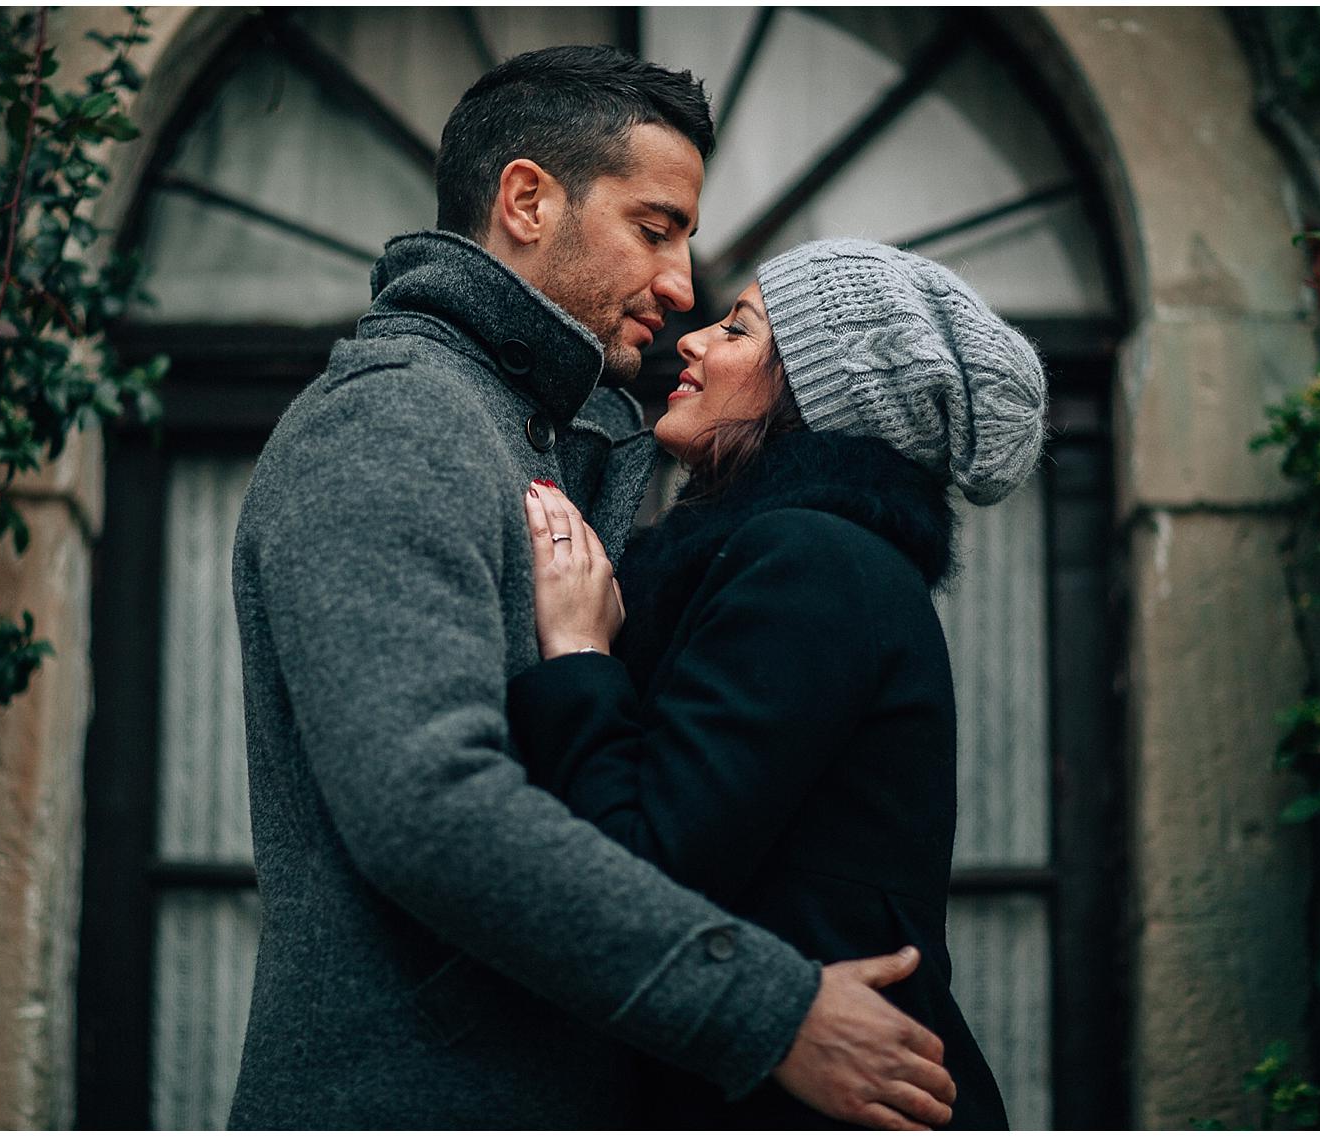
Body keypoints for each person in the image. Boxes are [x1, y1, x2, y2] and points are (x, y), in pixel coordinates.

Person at [228, 49, 958, 1129]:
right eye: (654, 228)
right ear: (526, 200)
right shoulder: (391, 422)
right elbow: (431, 808)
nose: (679, 287)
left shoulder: (566, 438)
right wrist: (764, 1010)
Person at [508, 238, 1046, 1129]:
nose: (694, 339)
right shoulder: (795, 558)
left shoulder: (809, 563)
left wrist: (577, 652)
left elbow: (641, 870)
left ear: (814, 397)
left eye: (741, 328)